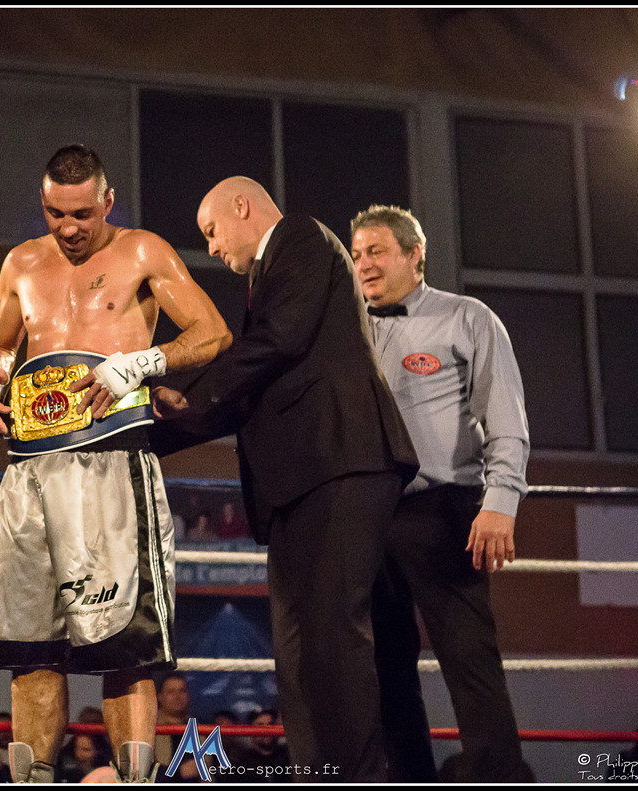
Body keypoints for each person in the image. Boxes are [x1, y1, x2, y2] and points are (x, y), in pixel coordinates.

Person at [0, 144, 231, 782]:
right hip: (29, 470)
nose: (69, 228)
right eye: (56, 214)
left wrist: (141, 363)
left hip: (112, 460)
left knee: (126, 648)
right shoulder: (21, 262)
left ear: (108, 202)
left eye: (83, 214)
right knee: (31, 651)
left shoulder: (143, 251)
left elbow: (212, 331)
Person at [151, 177, 418, 781]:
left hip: (339, 462)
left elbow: (276, 342)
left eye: (212, 231)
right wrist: (150, 432)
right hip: (300, 482)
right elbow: (251, 389)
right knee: (296, 655)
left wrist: (181, 390)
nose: (212, 247)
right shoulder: (269, 279)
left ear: (242, 206)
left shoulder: (300, 237)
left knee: (333, 638)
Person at [349, 204, 532, 783]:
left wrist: (501, 502)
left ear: (414, 254)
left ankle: (497, 777)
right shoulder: (346, 330)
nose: (363, 264)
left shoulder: (467, 318)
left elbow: (507, 421)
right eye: (356, 254)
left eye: (377, 251)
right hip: (368, 516)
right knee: (385, 667)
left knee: (469, 660)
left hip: (444, 509)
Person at [237, 709, 290, 782]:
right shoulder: (241, 762)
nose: (267, 730)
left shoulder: (288, 757)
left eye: (271, 724)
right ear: (251, 730)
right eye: (260, 725)